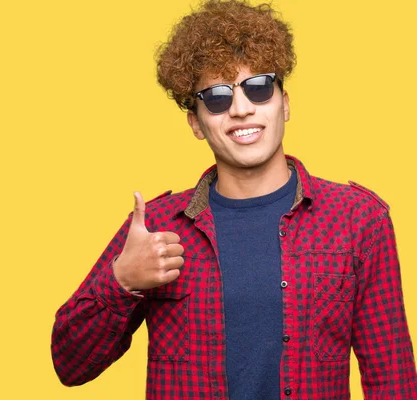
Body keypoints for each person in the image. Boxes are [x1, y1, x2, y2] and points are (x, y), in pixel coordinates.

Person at [50, 0, 417, 398]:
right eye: (218, 97)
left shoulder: (358, 219)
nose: (241, 109)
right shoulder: (156, 227)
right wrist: (122, 282)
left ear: (285, 103)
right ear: (196, 122)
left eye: (258, 88)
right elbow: (69, 364)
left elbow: (392, 377)